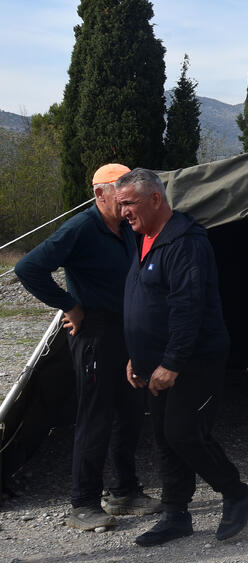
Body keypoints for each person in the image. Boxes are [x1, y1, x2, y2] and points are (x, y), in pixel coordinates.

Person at [14, 163, 160, 531]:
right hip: (94, 332)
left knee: (130, 411)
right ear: (100, 194)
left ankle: (124, 491)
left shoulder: (127, 225)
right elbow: (29, 268)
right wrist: (70, 305)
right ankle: (83, 503)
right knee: (95, 416)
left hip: (127, 330)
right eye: (121, 191)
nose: (128, 200)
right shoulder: (80, 228)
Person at [117, 168, 248, 546]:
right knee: (164, 437)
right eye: (120, 205)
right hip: (155, 360)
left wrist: (172, 362)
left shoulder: (185, 243)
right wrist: (137, 357)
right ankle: (176, 514)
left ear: (156, 199)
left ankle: (237, 492)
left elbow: (188, 307)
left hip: (193, 358)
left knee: (182, 432)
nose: (123, 212)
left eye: (128, 203)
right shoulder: (145, 239)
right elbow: (144, 302)